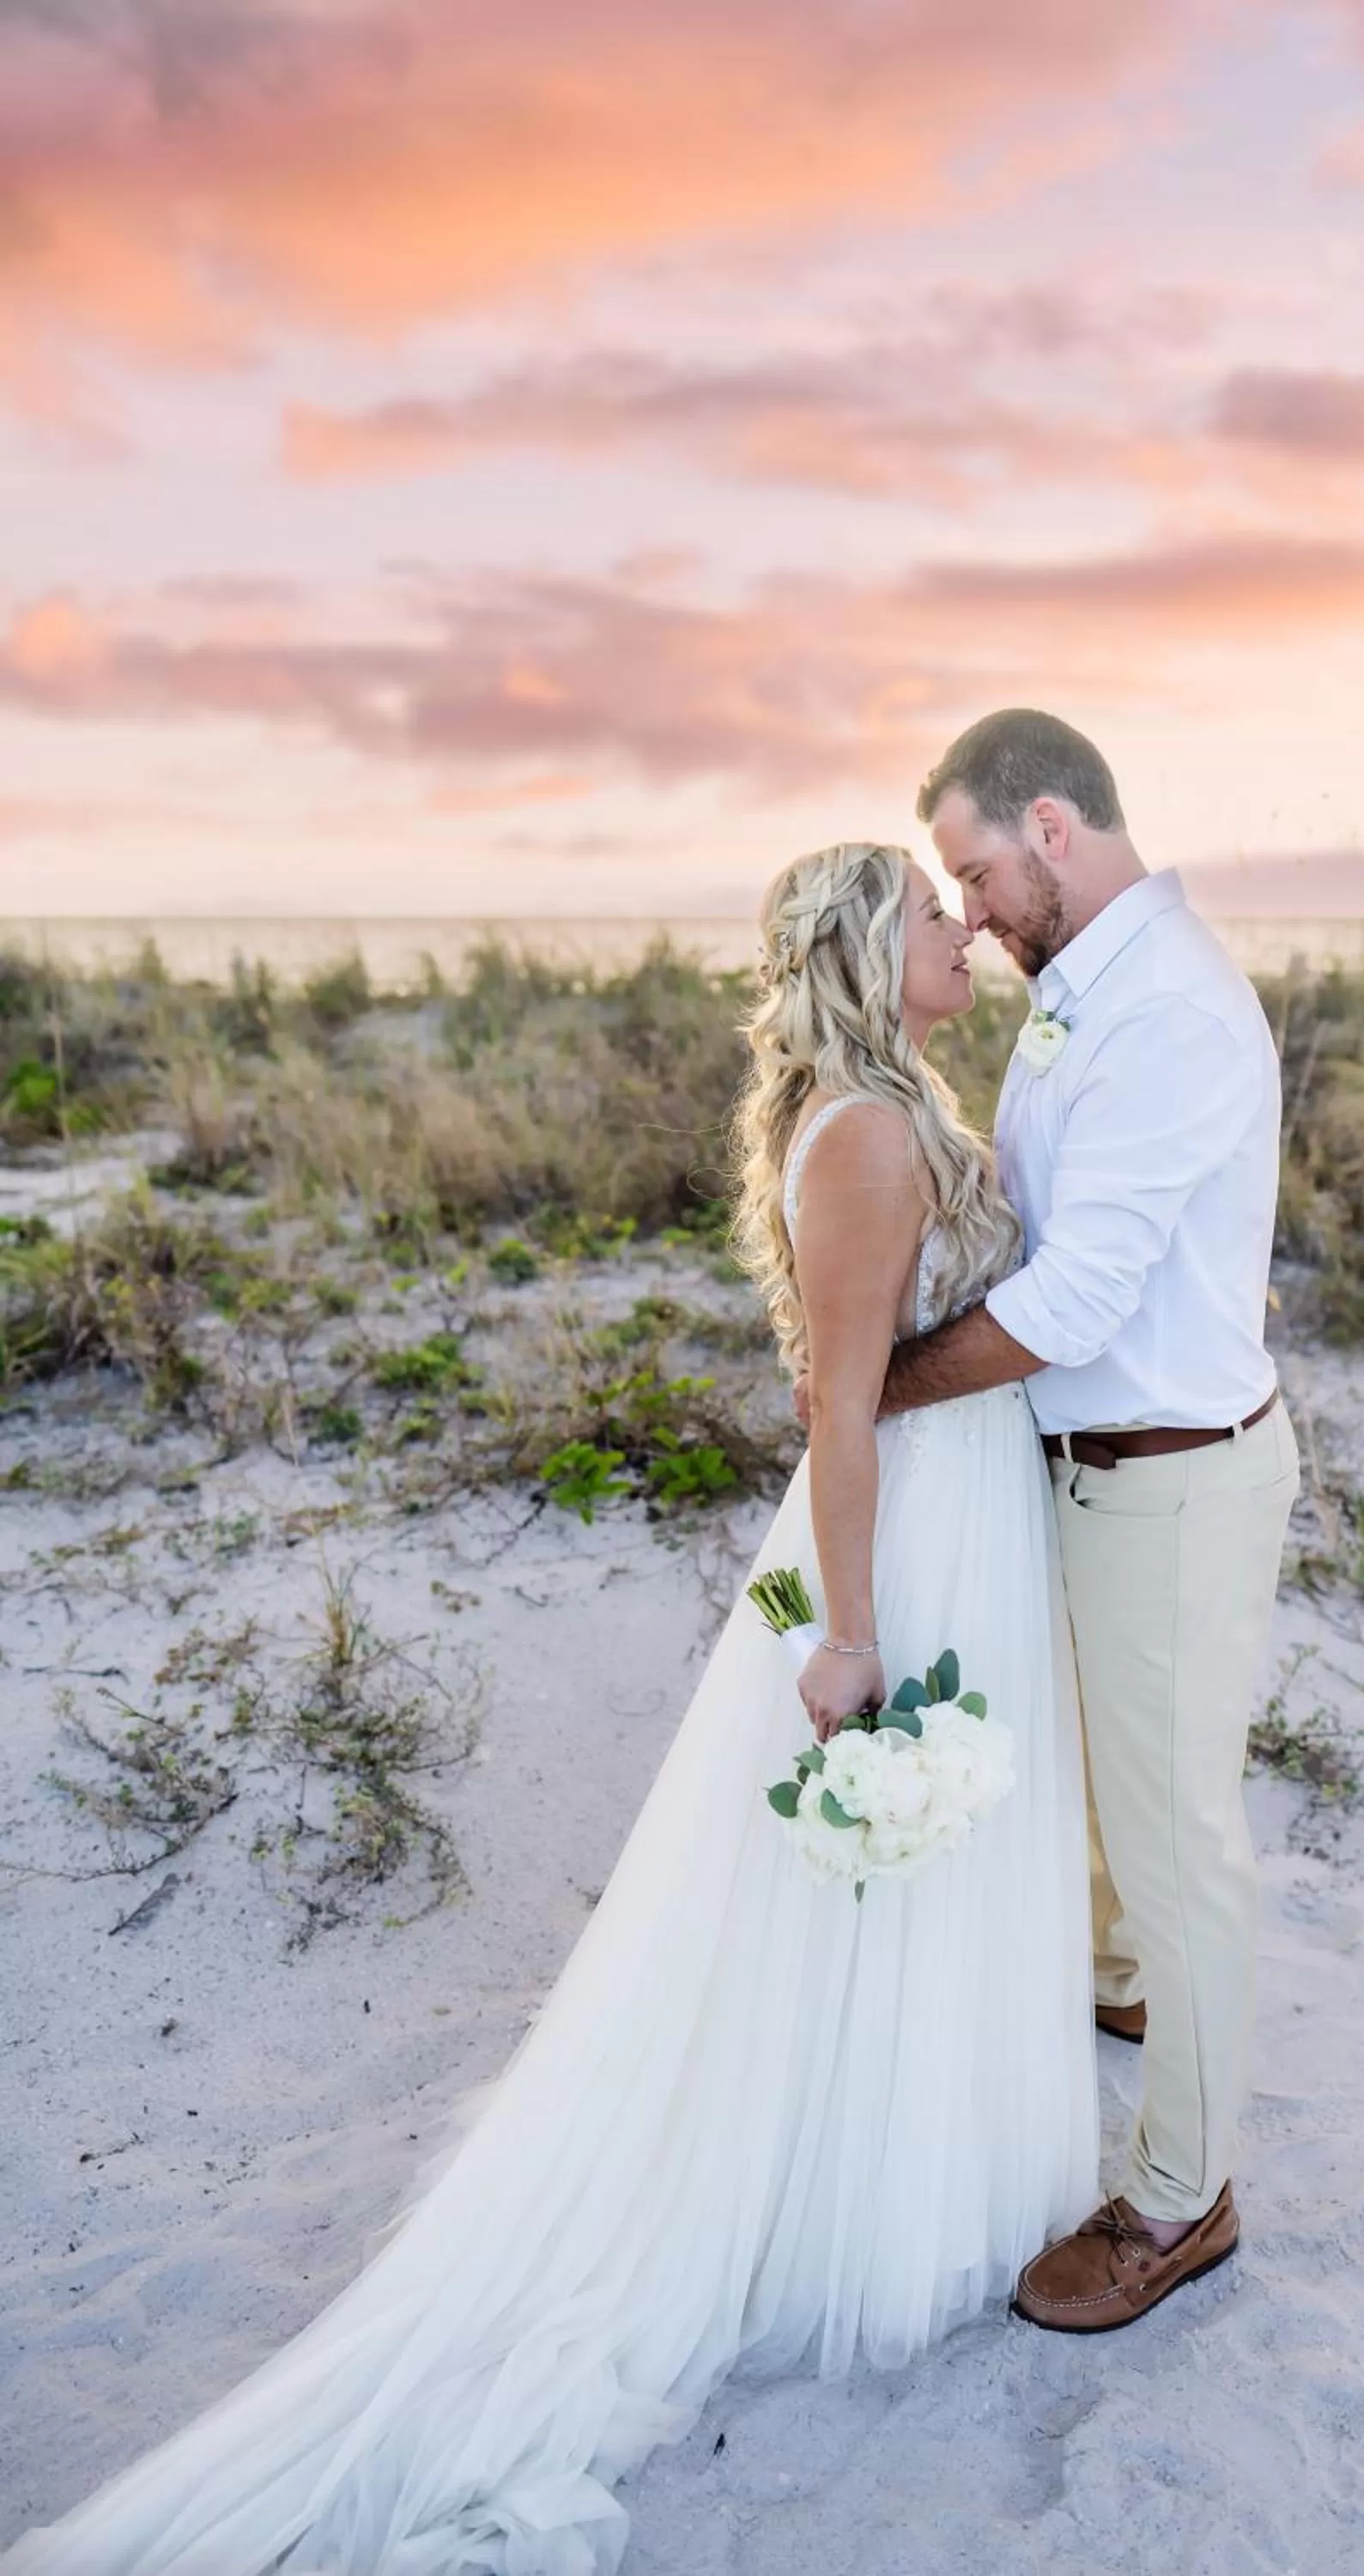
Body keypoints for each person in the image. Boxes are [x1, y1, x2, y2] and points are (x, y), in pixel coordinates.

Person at [3, 842, 1098, 2576]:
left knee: (900, 1884)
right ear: (874, 955)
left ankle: (889, 2153)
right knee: (856, 1873)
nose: (963, 927)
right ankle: (834, 2191)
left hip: (954, 1507)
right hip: (901, 1531)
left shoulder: (887, 1099)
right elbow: (842, 1410)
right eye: (932, 908)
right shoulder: (871, 1133)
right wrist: (847, 1634)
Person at [880, 708, 1300, 2336]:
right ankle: (1120, 1986)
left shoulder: (1174, 1011)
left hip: (1175, 1478)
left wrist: (877, 1385)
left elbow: (1077, 1296)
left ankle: (1184, 2200)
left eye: (975, 871)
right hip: (1093, 1464)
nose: (969, 911)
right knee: (1110, 1779)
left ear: (1049, 827)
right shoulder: (1082, 997)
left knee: (1183, 1837)